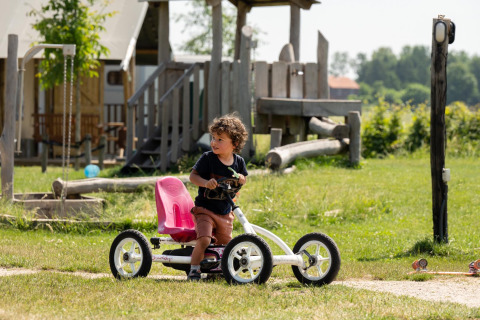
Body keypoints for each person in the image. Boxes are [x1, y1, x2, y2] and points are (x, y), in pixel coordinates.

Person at [188, 114, 249, 281]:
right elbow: (193, 177)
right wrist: (206, 183)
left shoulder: (239, 162)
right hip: (205, 210)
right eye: (213, 138)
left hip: (225, 211)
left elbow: (240, 180)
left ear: (234, 144)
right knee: (205, 239)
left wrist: (242, 179)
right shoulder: (208, 159)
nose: (214, 142)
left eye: (220, 139)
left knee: (225, 245)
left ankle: (220, 269)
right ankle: (194, 269)